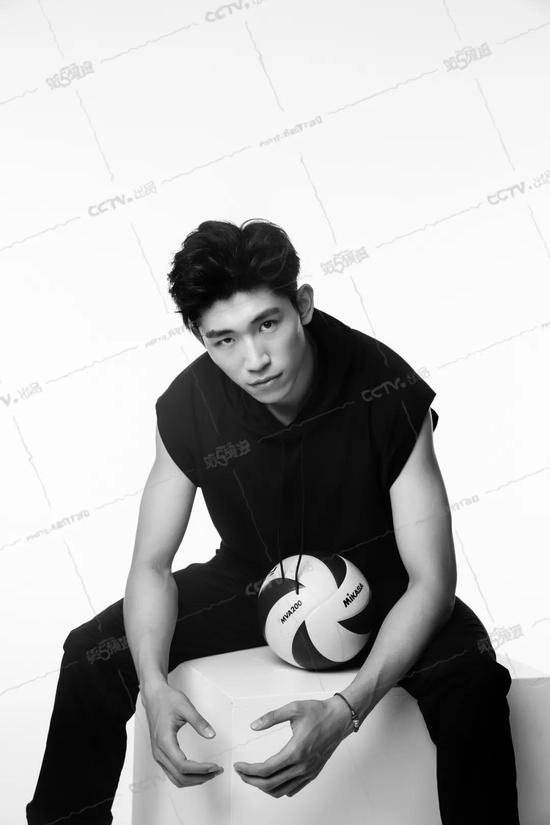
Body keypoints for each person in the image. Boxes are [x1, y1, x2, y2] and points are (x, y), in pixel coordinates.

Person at [26, 218, 521, 825]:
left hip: (384, 585)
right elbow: (150, 566)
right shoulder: (189, 403)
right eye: (224, 340)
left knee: (472, 679)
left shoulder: (384, 386)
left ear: (302, 306)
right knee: (92, 654)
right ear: (199, 337)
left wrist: (344, 711)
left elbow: (432, 583)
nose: (254, 359)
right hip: (251, 581)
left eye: (267, 324)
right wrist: (152, 686)